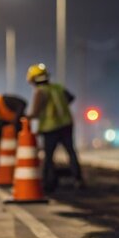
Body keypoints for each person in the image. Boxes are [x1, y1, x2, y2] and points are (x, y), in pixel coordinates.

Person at [25, 63, 84, 192]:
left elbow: (35, 112)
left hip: (50, 127)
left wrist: (26, 118)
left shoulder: (40, 91)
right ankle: (78, 179)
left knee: (49, 156)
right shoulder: (58, 88)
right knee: (71, 152)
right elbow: (71, 98)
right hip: (66, 124)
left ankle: (49, 182)